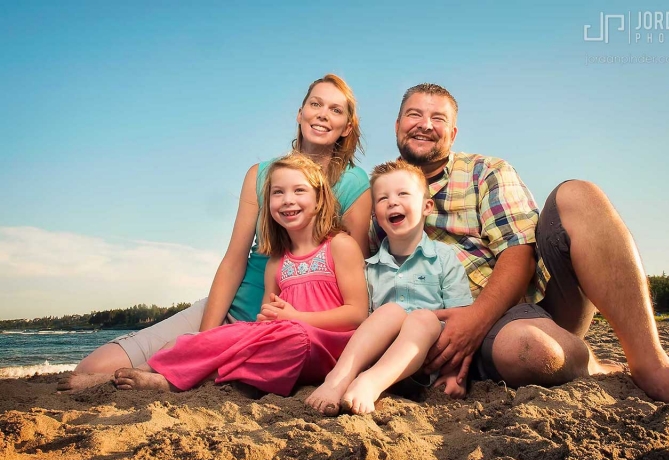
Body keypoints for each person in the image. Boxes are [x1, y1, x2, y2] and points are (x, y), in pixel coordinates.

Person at [379, 83, 669, 404]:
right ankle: (594, 363)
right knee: (530, 351)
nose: (425, 124)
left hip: (527, 300)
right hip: (452, 331)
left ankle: (651, 364)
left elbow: (519, 252)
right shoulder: (377, 193)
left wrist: (476, 319)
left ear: (453, 133)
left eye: (437, 118)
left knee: (579, 194)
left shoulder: (484, 171)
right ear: (397, 126)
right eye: (414, 114)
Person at [58, 74, 371, 392]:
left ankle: (174, 374)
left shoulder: (355, 184)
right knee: (93, 367)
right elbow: (234, 261)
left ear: (347, 126)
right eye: (315, 104)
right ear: (300, 113)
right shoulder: (262, 175)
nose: (321, 114)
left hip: (296, 327)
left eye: (335, 109)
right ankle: (158, 370)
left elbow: (354, 285)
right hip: (237, 309)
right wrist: (204, 337)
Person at [113, 153, 368, 394]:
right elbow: (266, 324)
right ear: (268, 205)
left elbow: (357, 314)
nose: (288, 199)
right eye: (278, 193)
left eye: (299, 190)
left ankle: (191, 377)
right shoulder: (276, 262)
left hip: (324, 347)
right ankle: (150, 370)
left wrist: (296, 317)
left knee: (294, 338)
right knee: (221, 336)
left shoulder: (339, 245)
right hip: (284, 341)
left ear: (319, 199)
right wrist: (267, 319)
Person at [306, 160, 473, 416]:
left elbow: (460, 322)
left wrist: (454, 374)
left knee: (423, 319)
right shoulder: (370, 267)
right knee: (389, 312)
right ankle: (338, 379)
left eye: (403, 194)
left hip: (425, 365)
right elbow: (363, 325)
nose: (392, 202)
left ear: (427, 206)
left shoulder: (444, 257)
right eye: (383, 198)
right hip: (377, 359)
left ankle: (370, 384)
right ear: (375, 215)